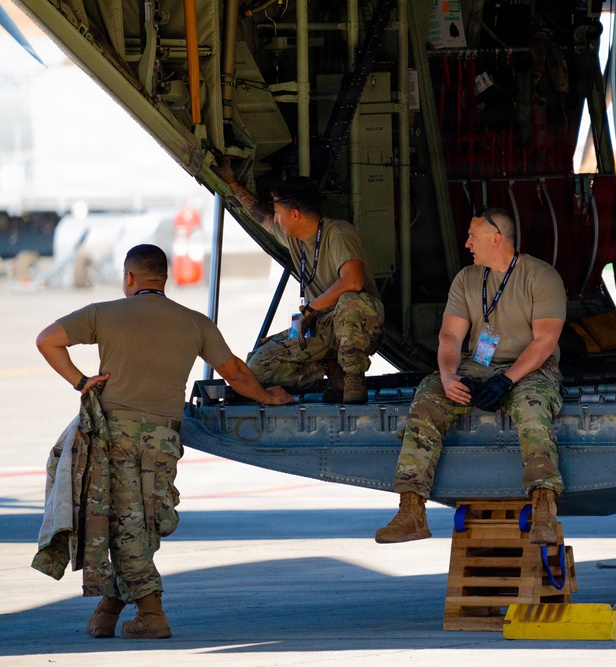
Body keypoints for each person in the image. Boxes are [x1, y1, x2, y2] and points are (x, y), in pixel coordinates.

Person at [34, 244, 294, 639]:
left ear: (129, 278)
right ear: (164, 279)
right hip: (163, 438)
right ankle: (109, 610)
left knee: (124, 523)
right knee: (143, 521)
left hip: (114, 437)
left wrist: (81, 381)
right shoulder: (194, 323)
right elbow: (237, 373)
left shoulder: (102, 314)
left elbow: (47, 340)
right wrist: (268, 396)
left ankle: (152, 614)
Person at [375, 207, 567, 545]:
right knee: (428, 396)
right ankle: (411, 510)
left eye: (472, 236)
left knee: (533, 407)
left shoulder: (541, 276)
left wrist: (507, 380)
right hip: (477, 365)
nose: (466, 243)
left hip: (529, 366)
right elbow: (450, 336)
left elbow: (545, 341)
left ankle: (543, 508)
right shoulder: (467, 278)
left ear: (496, 239)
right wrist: (449, 377)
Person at [218, 162, 384, 404]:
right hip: (323, 325)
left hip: (361, 323)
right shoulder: (294, 238)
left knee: (350, 302)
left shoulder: (337, 233)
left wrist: (310, 309)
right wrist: (232, 184)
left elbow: (353, 280)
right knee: (257, 367)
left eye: (279, 212)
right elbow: (261, 216)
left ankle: (353, 378)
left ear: (295, 214)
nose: (276, 218)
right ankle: (331, 371)